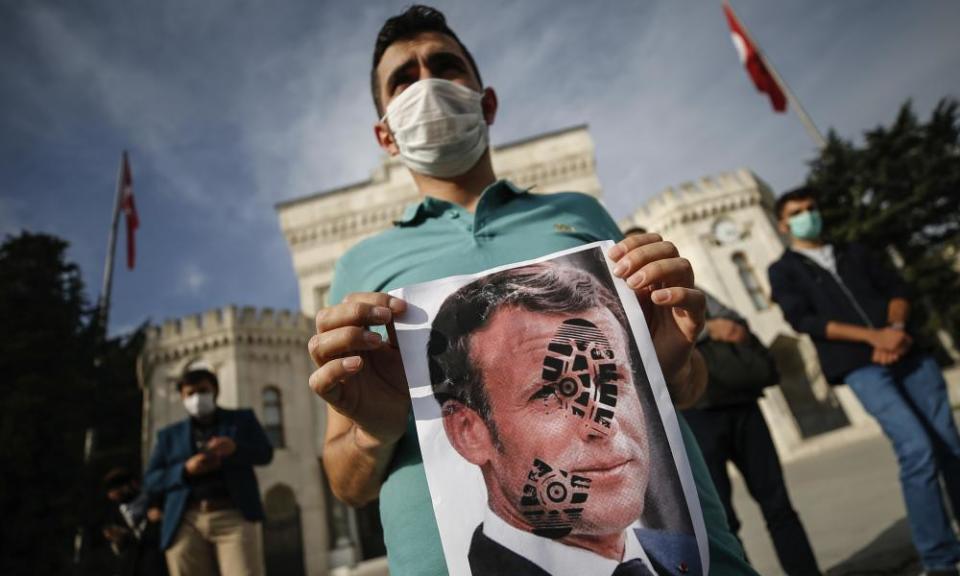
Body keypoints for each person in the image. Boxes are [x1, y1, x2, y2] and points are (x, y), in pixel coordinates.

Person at [307, 5, 757, 575]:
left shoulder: (578, 213)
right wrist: (374, 431)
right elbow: (346, 483)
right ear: (384, 134)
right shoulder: (360, 268)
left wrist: (670, 359)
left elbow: (682, 390)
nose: (428, 83)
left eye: (445, 65)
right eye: (404, 77)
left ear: (486, 101)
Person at [429, 262, 699, 576]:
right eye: (551, 394)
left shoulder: (688, 553)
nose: (603, 422)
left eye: (610, 381)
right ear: (469, 433)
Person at [768, 186, 960, 576]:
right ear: (783, 224)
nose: (809, 215)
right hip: (861, 364)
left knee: (949, 445)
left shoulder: (853, 251)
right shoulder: (784, 270)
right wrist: (874, 338)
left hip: (908, 351)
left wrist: (895, 327)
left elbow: (897, 288)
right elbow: (804, 320)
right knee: (917, 448)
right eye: (799, 212)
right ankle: (939, 559)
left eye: (812, 208)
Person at [680, 291, 821, 576]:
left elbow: (733, 320)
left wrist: (719, 327)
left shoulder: (687, 284)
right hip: (697, 413)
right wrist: (708, 329)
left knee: (778, 504)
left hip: (742, 404)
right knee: (722, 520)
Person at [144, 365, 273, 576]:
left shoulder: (241, 420)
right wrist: (184, 470)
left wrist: (235, 449)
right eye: (190, 393)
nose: (197, 398)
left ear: (215, 390)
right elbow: (151, 480)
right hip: (186, 520)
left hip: (233, 514)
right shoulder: (169, 436)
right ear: (182, 397)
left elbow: (265, 453)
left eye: (203, 391)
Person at [102, 467, 168, 576]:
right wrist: (119, 541)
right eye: (112, 491)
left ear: (133, 484)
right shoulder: (114, 515)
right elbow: (120, 552)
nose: (115, 494)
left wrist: (162, 517)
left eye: (118, 488)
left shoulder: (154, 500)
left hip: (160, 561)